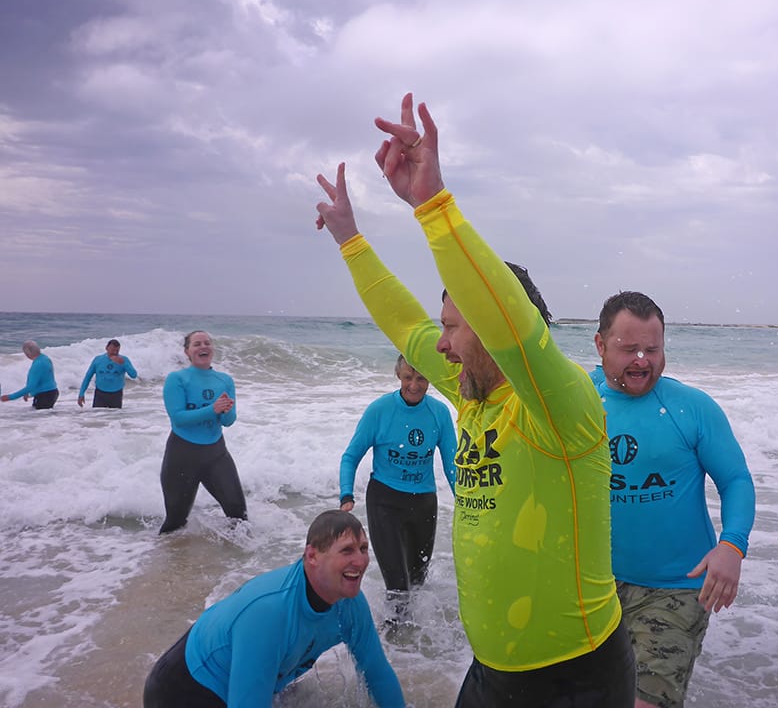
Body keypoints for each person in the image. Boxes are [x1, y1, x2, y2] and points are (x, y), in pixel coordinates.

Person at [313, 93, 634, 707]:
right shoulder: (476, 401)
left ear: (495, 329)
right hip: (490, 671)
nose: (441, 344)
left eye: (456, 326)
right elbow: (405, 326)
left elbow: (510, 323)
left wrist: (433, 207)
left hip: (574, 679)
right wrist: (351, 240)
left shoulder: (560, 406)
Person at [592, 291, 756, 708]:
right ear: (599, 344)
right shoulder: (577, 399)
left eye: (652, 349)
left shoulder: (691, 408)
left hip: (674, 587)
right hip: (592, 584)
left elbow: (735, 479)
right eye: (629, 349)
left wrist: (732, 545)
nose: (642, 360)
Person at [143, 509, 406, 707]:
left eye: (363, 549)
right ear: (312, 556)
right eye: (347, 550)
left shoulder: (351, 604)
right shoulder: (269, 613)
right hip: (183, 688)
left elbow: (378, 673)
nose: (360, 561)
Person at [340, 354, 456, 622]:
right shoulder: (379, 411)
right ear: (398, 376)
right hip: (385, 502)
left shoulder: (438, 413)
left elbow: (452, 464)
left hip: (424, 503)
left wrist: (465, 500)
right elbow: (351, 456)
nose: (414, 385)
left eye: (421, 378)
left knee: (417, 583)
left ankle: (412, 652)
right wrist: (346, 494)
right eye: (408, 377)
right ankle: (393, 643)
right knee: (398, 588)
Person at [158, 330, 247, 534]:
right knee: (176, 522)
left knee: (239, 517)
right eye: (197, 344)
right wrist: (213, 409)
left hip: (216, 454)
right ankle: (168, 562)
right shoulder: (177, 379)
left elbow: (228, 421)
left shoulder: (224, 380)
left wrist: (225, 411)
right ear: (187, 352)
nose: (203, 346)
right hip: (182, 455)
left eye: (207, 343)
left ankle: (240, 563)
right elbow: (178, 418)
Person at [77, 338, 138, 408]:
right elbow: (87, 377)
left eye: (117, 351)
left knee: (114, 418)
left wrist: (124, 364)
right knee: (98, 417)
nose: (115, 353)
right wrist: (81, 394)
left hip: (116, 394)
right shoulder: (98, 360)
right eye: (112, 350)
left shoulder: (123, 360)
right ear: (106, 348)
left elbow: (134, 375)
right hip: (100, 394)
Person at [1, 340, 59, 409]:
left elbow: (31, 386)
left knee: (39, 418)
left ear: (27, 353)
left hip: (45, 396)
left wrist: (10, 397)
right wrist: (30, 393)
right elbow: (44, 380)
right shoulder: (45, 358)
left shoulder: (38, 364)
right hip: (53, 392)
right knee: (43, 417)